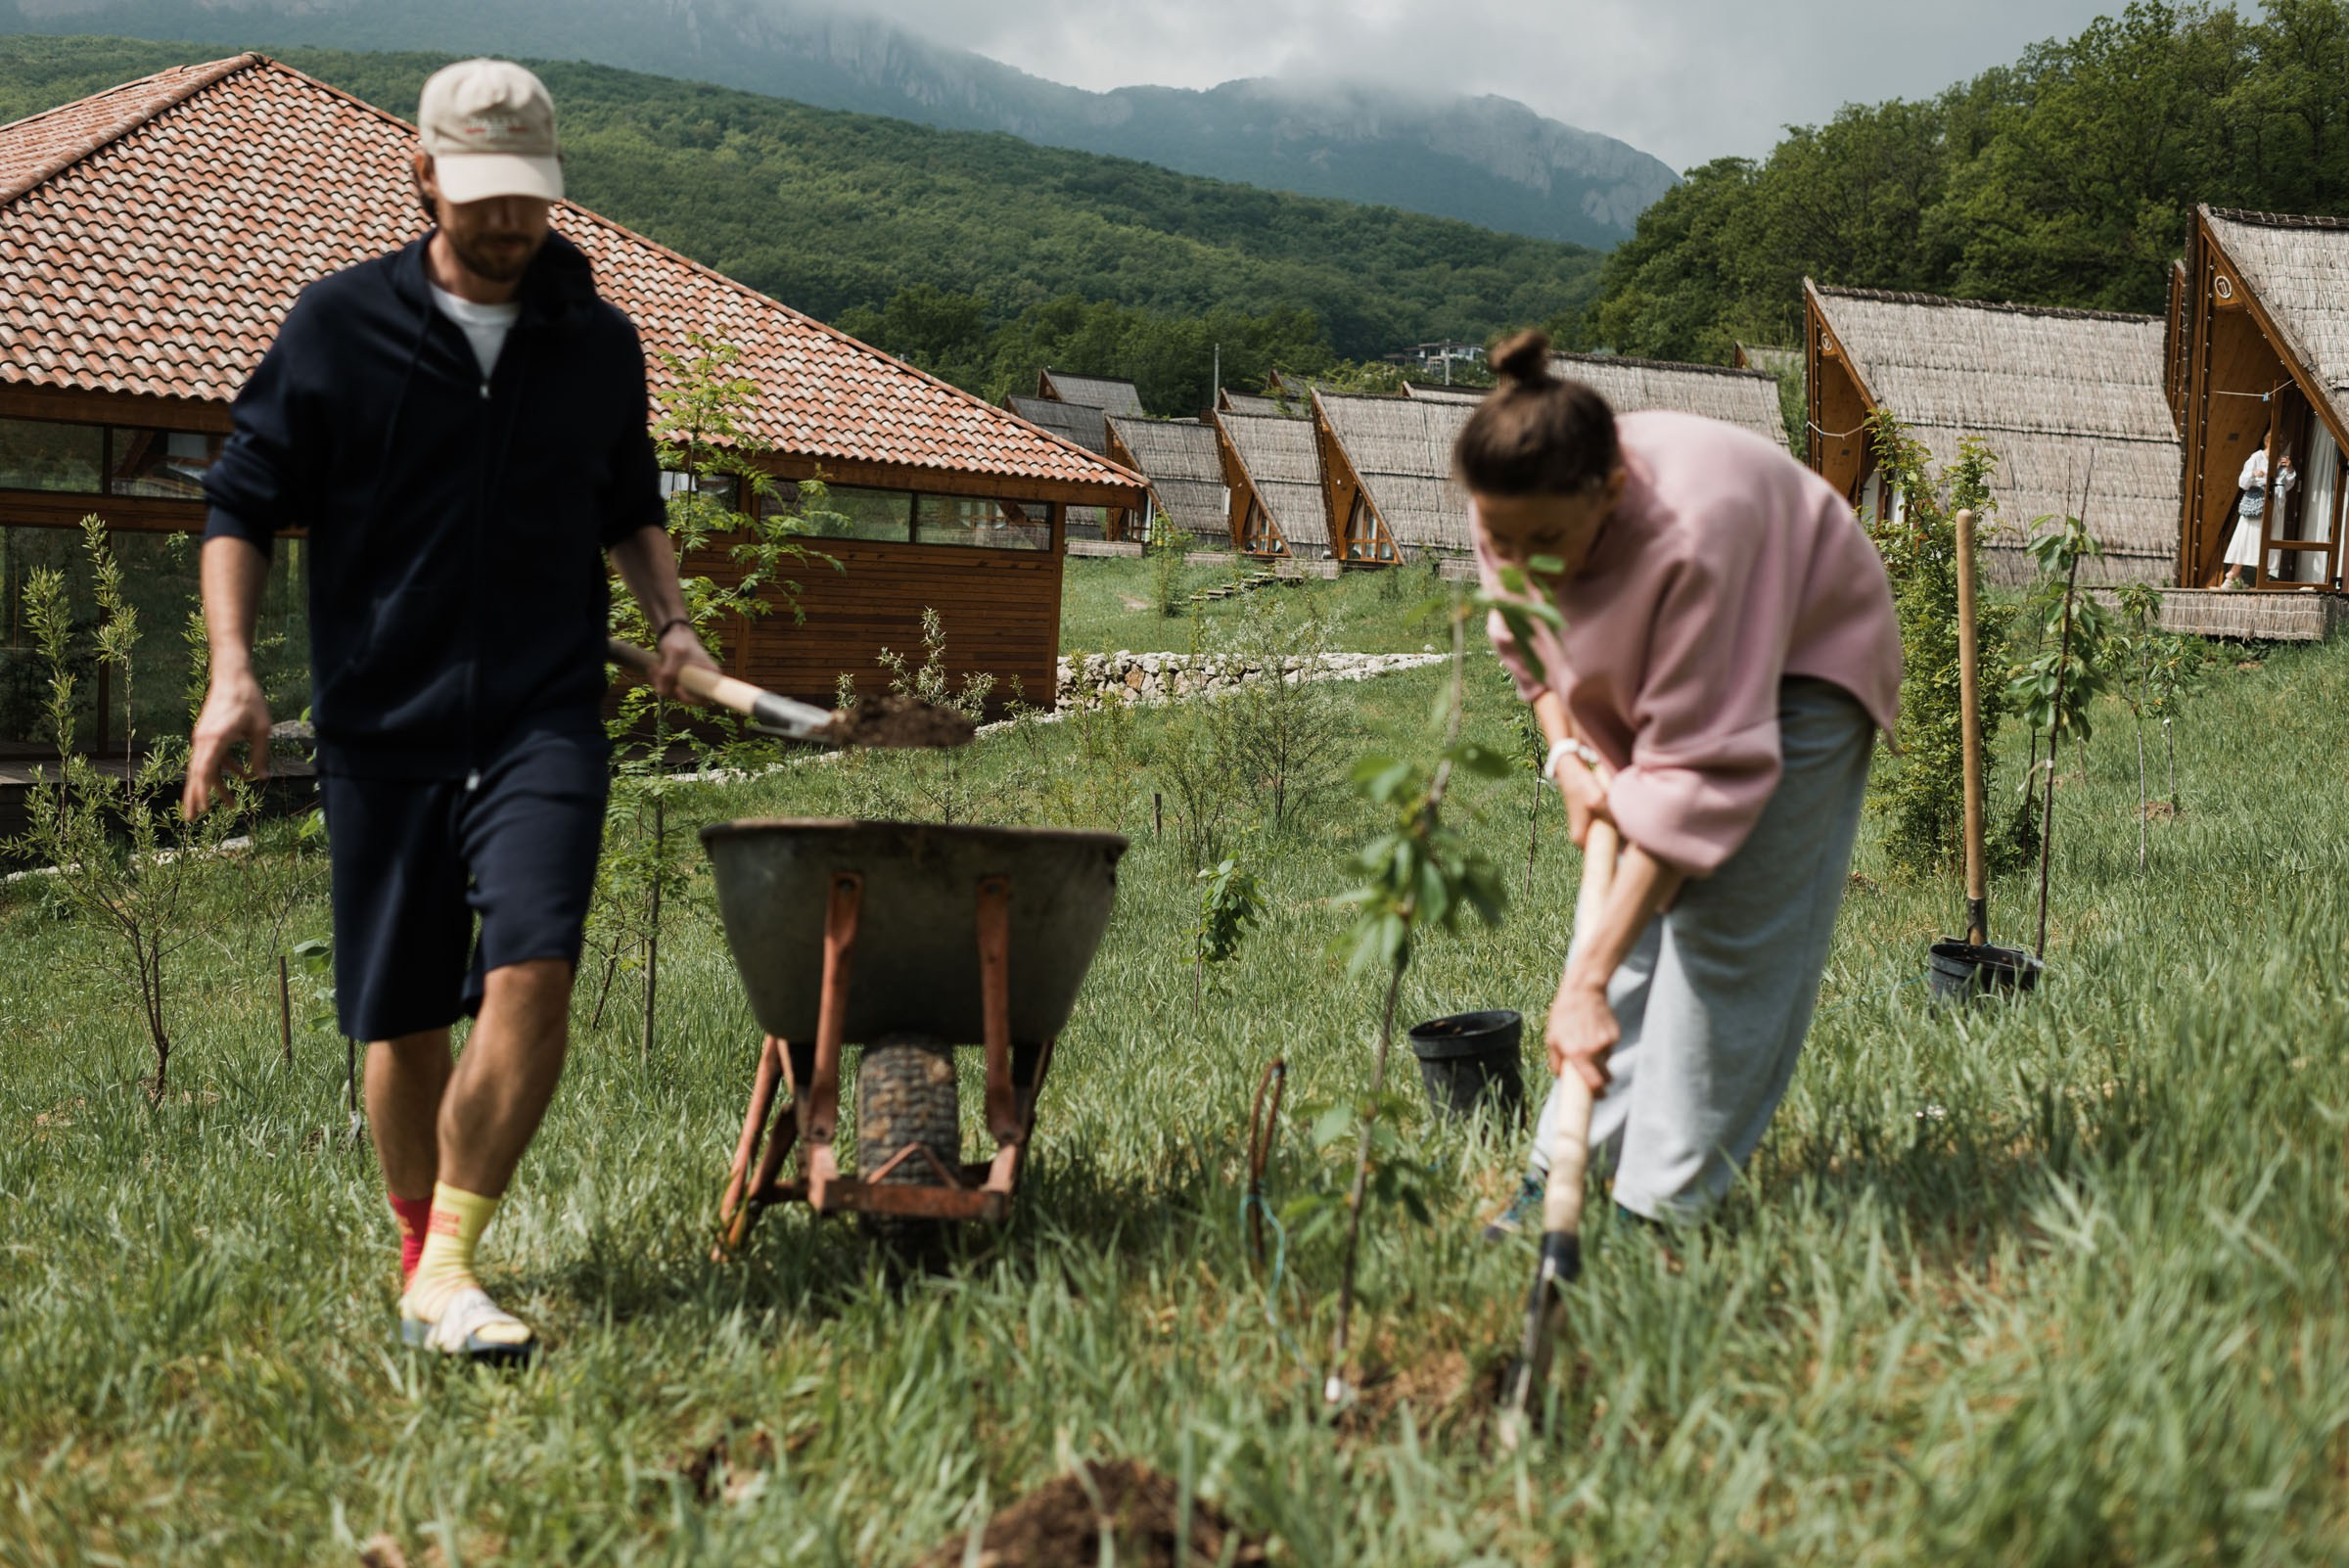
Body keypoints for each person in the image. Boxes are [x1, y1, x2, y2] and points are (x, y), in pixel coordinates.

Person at [183, 59, 717, 1360]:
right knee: (402, 1012)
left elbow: (629, 501)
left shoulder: (596, 342)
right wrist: (234, 670)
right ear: (420, 176)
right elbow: (240, 503)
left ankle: (453, 1259)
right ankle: (424, 1255)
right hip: (384, 719)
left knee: (535, 964)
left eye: (527, 198)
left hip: (543, 712)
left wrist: (673, 624)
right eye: (478, 196)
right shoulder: (336, 329)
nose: (506, 224)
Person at [1466, 331, 1901, 1234]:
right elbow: (1530, 648)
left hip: (1804, 657)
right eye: (1502, 541)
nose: (1521, 561)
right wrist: (1569, 758)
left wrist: (1579, 985)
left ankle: (1657, 1209)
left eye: (1544, 541)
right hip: (1664, 677)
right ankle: (1564, 1171)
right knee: (1621, 939)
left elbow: (1693, 785)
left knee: (1724, 933)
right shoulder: (1512, 500)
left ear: (1612, 493)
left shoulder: (1692, 542)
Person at [2220, 447, 2296, 588]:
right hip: (2256, 504)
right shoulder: (2256, 457)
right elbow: (2243, 482)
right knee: (2248, 536)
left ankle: (2261, 579)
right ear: (2267, 443)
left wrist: (2290, 469)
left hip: (2275, 505)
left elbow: (2288, 485)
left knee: (2271, 538)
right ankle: (2233, 575)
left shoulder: (2281, 460)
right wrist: (2254, 474)